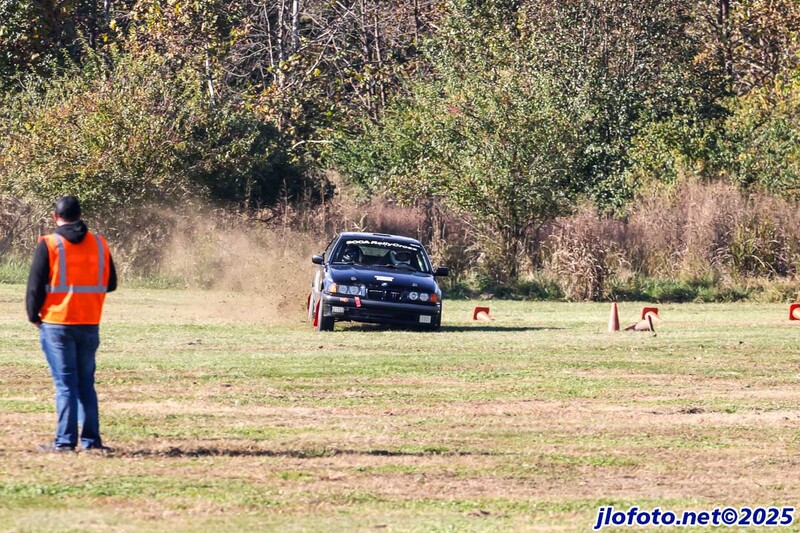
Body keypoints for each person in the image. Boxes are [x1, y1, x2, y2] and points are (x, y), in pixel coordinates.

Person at [26, 196, 117, 453]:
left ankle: (65, 443)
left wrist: (34, 316)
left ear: (56, 217)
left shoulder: (50, 244)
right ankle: (92, 442)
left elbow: (35, 286)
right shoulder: (99, 244)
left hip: (57, 323)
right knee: (85, 383)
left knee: (65, 384)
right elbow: (111, 283)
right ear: (80, 215)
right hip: (89, 322)